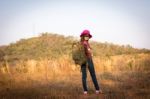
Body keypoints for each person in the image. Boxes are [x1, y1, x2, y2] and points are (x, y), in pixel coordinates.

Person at [80, 29, 102, 95]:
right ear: (84, 36)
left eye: (88, 36)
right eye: (86, 35)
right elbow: (87, 52)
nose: (87, 37)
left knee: (84, 76)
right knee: (93, 75)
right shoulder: (85, 43)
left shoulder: (81, 43)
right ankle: (97, 90)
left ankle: (85, 91)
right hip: (88, 60)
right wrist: (90, 52)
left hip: (82, 61)